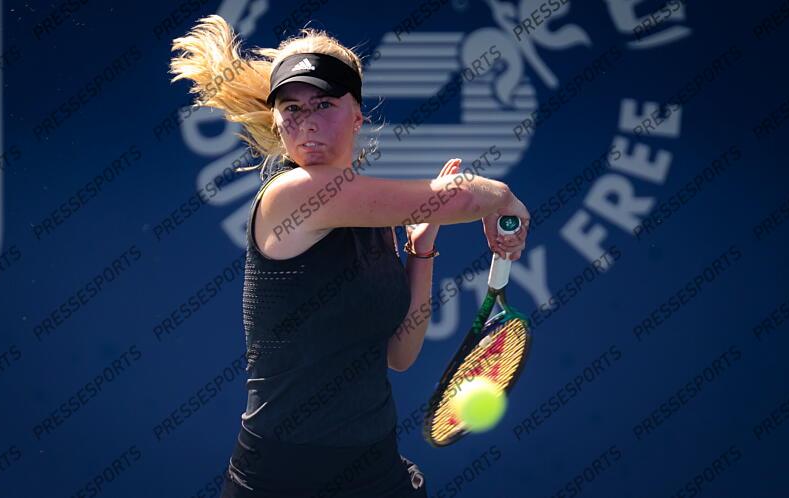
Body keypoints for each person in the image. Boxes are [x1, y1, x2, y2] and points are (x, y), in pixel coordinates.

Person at [168, 15, 529, 498]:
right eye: (291, 108)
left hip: (374, 468)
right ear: (276, 120)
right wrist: (504, 197)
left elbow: (400, 354)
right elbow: (463, 197)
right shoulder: (292, 194)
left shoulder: (372, 219)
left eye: (324, 103)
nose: (307, 120)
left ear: (357, 114)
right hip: (281, 478)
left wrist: (422, 250)